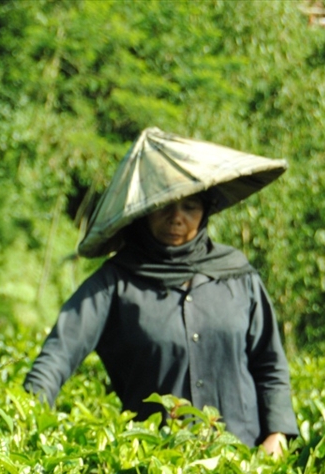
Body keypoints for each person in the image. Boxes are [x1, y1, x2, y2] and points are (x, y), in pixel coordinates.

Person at [24, 127, 299, 456]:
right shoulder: (116, 283)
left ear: (206, 211)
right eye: (164, 205)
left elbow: (270, 363)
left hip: (244, 458)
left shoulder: (237, 277)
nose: (176, 218)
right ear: (142, 212)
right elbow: (58, 355)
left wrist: (277, 434)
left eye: (190, 206)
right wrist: (27, 419)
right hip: (155, 466)